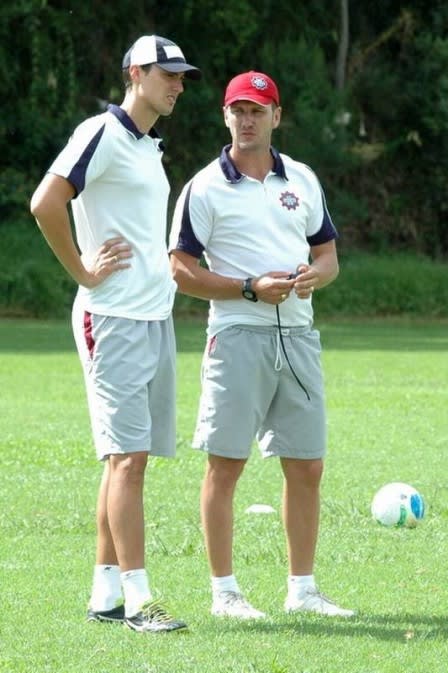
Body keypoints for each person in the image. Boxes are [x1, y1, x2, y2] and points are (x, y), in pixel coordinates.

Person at [30, 35, 201, 633]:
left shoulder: (147, 145)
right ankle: (139, 601)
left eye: (182, 77)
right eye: (167, 74)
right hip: (112, 319)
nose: (177, 84)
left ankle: (104, 592)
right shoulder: (100, 133)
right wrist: (81, 270)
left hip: (152, 318)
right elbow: (46, 202)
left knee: (128, 462)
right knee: (127, 461)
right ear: (135, 73)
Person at [169, 71, 354, 619]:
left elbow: (329, 256)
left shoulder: (302, 178)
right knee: (225, 464)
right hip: (235, 336)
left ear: (277, 116)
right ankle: (225, 594)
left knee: (307, 465)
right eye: (238, 111)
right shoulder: (204, 186)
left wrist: (315, 276)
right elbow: (180, 270)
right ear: (226, 117)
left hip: (298, 337)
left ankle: (302, 591)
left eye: (258, 110)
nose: (247, 120)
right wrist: (250, 288)